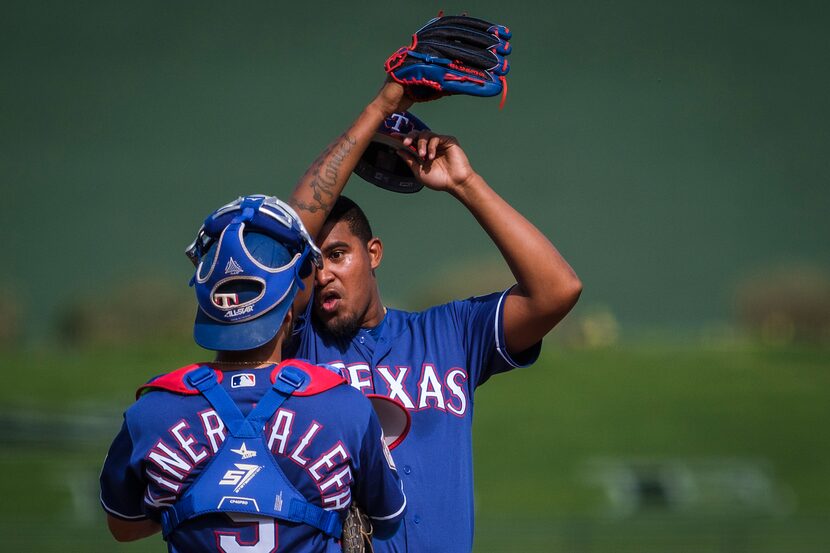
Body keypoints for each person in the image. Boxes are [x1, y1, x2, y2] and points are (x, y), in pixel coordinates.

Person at [284, 81, 583, 552]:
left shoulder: (449, 335)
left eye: (338, 254)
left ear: (374, 253)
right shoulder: (294, 346)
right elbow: (284, 238)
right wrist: (382, 107)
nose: (324, 275)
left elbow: (557, 291)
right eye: (312, 262)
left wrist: (465, 184)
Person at [99, 195, 408, 552]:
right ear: (289, 311)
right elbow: (388, 519)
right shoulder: (346, 408)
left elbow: (123, 526)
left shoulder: (149, 414)